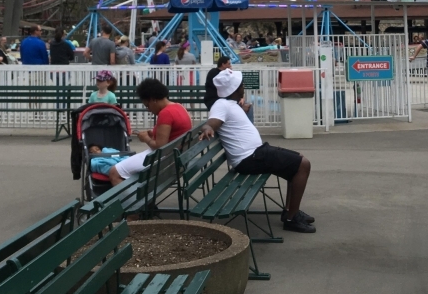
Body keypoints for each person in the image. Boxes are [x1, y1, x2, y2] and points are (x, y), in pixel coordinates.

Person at [202, 69, 315, 233]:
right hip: (249, 158)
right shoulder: (221, 105)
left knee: (298, 161)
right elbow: (212, 122)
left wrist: (242, 109)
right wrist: (207, 128)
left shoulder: (230, 104)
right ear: (235, 88)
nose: (243, 87)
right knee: (303, 164)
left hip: (256, 154)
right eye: (241, 84)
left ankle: (291, 212)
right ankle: (291, 219)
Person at [135, 77, 193, 150]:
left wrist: (146, 138)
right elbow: (175, 134)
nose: (149, 110)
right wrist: (154, 135)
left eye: (148, 106)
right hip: (182, 151)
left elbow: (160, 147)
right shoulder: (179, 106)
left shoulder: (166, 113)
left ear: (153, 99)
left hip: (171, 155)